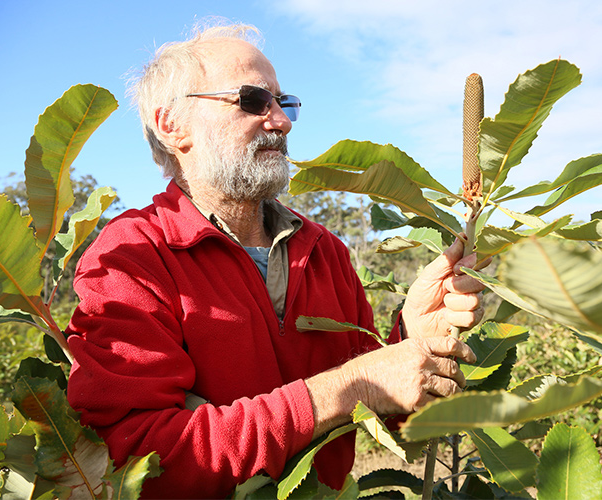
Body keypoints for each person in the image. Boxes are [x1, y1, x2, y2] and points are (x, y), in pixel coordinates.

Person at [66, 20, 484, 498]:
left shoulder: (325, 250)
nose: (280, 121)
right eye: (251, 100)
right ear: (172, 125)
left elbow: (376, 401)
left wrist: (412, 337)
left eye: (284, 103)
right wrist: (349, 387)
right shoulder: (131, 258)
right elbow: (135, 461)